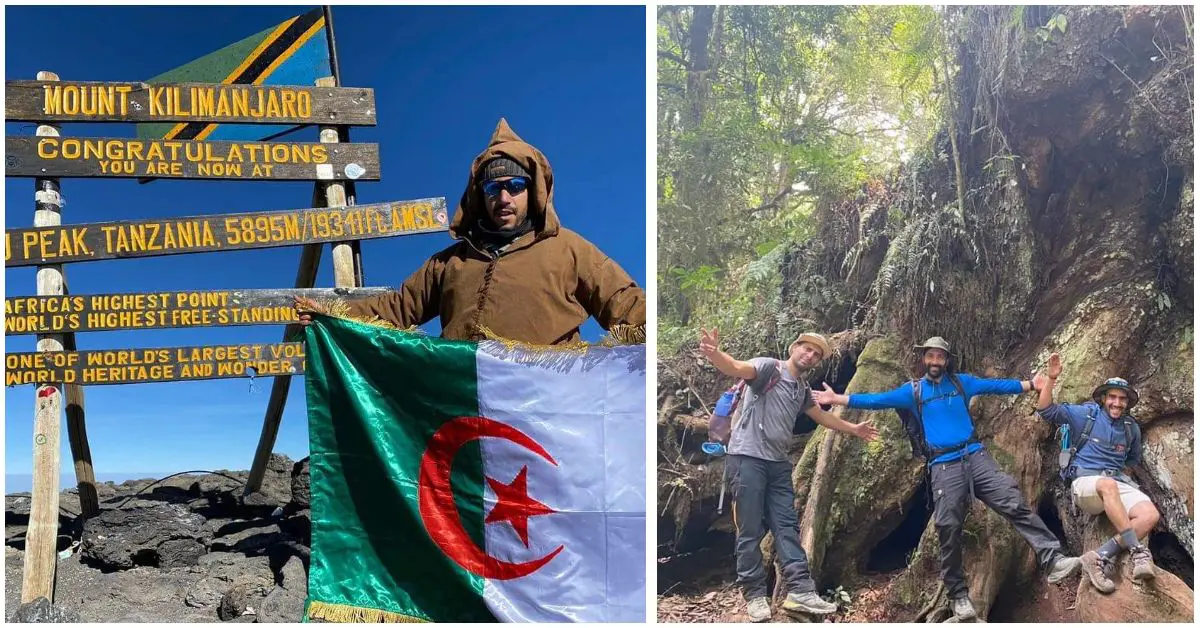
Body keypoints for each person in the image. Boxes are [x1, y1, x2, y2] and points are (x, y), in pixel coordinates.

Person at [295, 118, 645, 345]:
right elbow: (396, 309)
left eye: (515, 186)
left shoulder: (569, 250)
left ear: (534, 191)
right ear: (480, 196)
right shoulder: (450, 263)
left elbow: (627, 305)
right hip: (463, 409)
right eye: (493, 188)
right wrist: (332, 313)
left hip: (546, 415)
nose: (504, 198)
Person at [811, 336, 1081, 621]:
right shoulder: (913, 391)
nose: (935, 361)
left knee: (1012, 501)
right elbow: (878, 400)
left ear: (946, 360)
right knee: (947, 525)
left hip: (975, 455)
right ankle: (958, 595)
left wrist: (1030, 384)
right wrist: (837, 399)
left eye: (940, 356)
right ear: (924, 359)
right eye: (930, 356)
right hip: (943, 465)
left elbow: (995, 386)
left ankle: (1053, 559)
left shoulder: (962, 383)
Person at [698, 328, 879, 622]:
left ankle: (800, 591)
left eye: (816, 355)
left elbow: (821, 416)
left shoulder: (801, 389)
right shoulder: (768, 368)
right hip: (747, 459)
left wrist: (854, 429)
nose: (810, 356)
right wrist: (715, 353)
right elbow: (736, 367)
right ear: (794, 347)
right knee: (749, 530)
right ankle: (754, 595)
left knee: (787, 527)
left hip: (778, 465)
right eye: (806, 349)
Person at [1034, 353, 1157, 593]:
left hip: (1114, 483)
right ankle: (1137, 551)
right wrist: (1051, 379)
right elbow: (1046, 410)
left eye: (1122, 399)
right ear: (1103, 398)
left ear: (1128, 403)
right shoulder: (1086, 415)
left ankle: (1099, 556)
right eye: (1112, 397)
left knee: (1150, 514)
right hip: (1086, 484)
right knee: (1107, 484)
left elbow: (1131, 461)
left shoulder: (1131, 428)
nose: (1117, 403)